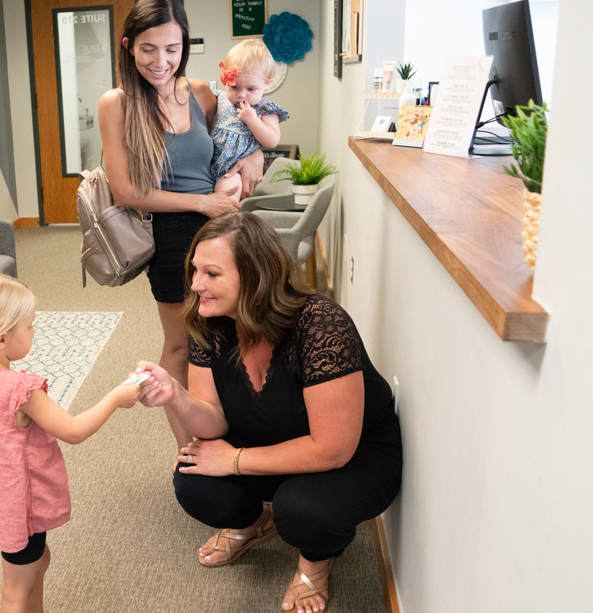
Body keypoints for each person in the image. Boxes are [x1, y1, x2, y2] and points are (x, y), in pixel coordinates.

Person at [135, 213, 402, 613]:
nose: (195, 285)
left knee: (303, 511)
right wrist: (177, 396)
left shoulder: (321, 326)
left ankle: (315, 562)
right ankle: (252, 523)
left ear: (255, 277)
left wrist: (235, 460)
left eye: (211, 273)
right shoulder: (210, 322)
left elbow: (333, 449)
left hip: (354, 452)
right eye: (194, 271)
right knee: (195, 481)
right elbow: (215, 419)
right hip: (273, 435)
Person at [99, 0, 266, 450]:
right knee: (180, 345)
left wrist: (254, 158)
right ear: (129, 46)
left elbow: (235, 137)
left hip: (223, 229)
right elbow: (127, 192)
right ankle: (187, 448)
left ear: (184, 47)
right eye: (149, 48)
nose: (161, 61)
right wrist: (201, 204)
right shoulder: (116, 104)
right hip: (173, 235)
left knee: (232, 337)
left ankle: (233, 432)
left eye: (172, 49)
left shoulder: (203, 94)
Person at [0, 271, 141, 613]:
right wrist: (115, 398)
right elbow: (73, 430)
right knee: (14, 591)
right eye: (30, 325)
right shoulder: (21, 391)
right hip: (19, 504)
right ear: (1, 340)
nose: (35, 330)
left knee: (37, 563)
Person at [210, 39, 290, 200]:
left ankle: (224, 223)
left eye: (251, 89)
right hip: (209, 164)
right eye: (234, 87)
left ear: (266, 84)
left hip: (235, 172)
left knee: (225, 197)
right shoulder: (219, 99)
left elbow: (272, 141)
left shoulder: (264, 109)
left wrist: (253, 120)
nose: (241, 94)